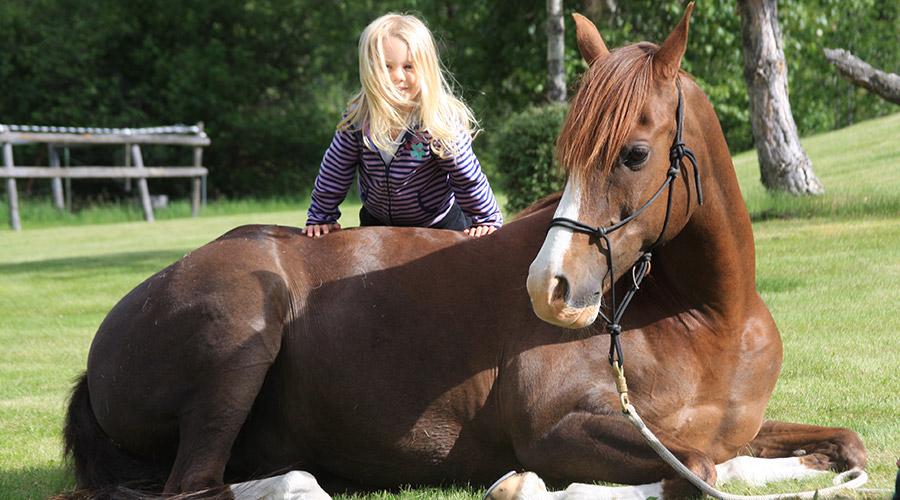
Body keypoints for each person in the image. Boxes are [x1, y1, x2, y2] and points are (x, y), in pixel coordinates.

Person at [305, 13, 502, 238]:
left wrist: (485, 218)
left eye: (408, 66)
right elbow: (335, 170)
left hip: (439, 224)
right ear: (369, 70)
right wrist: (321, 216)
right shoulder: (359, 119)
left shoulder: (437, 122)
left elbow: (466, 177)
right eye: (386, 67)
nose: (397, 76)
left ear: (426, 69)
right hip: (376, 223)